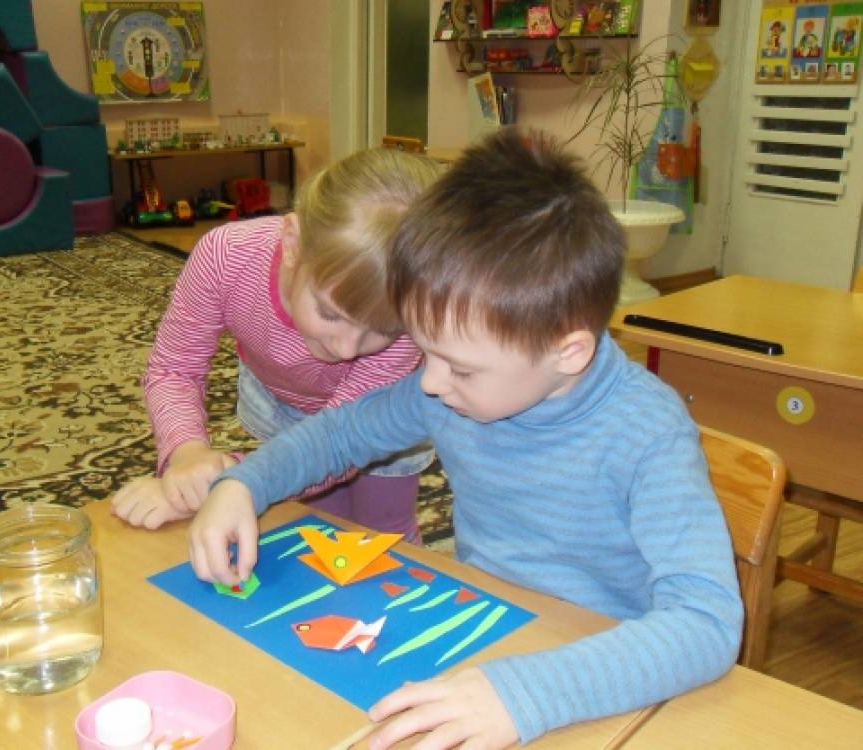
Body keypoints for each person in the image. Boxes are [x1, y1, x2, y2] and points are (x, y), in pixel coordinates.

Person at [187, 129, 744, 748]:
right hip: (488, 636)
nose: (429, 383)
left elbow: (706, 624)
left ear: (568, 352)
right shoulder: (458, 385)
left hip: (601, 682)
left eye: (460, 367)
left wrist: (524, 693)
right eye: (423, 351)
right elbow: (340, 435)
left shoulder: (648, 434)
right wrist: (244, 485)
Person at [112, 146, 441, 541]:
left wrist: (222, 485)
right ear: (292, 244)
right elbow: (174, 369)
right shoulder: (226, 257)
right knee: (317, 528)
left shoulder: (407, 323)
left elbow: (338, 442)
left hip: (374, 415)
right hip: (279, 400)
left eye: (383, 330)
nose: (347, 350)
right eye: (330, 313)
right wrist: (186, 453)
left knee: (384, 532)